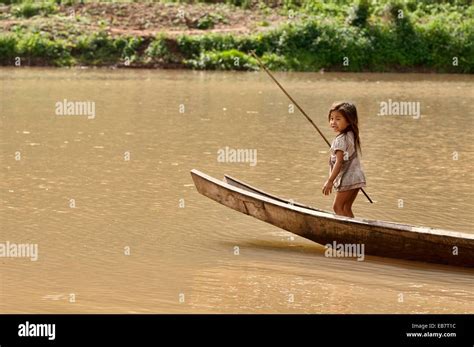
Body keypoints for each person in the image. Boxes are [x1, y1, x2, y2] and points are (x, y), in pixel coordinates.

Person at [322, 101, 366, 217]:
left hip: (348, 179)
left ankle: (350, 233)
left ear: (348, 121)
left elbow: (339, 162)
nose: (333, 122)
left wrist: (330, 181)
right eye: (331, 118)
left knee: (337, 207)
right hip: (357, 178)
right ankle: (355, 231)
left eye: (338, 119)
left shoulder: (340, 140)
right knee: (345, 208)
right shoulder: (351, 134)